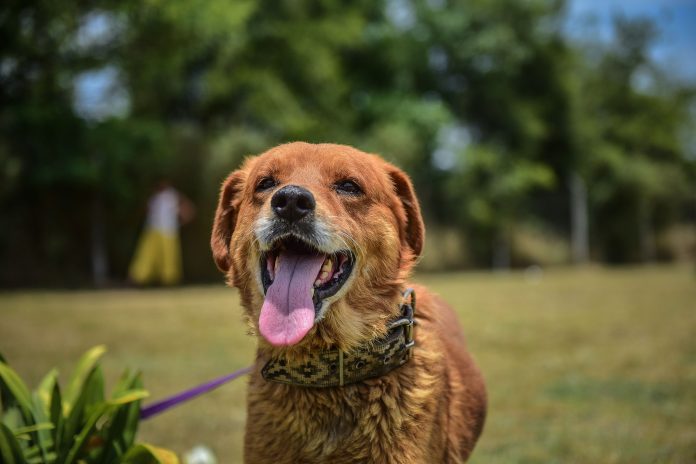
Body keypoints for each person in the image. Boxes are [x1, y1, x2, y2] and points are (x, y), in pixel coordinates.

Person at [128, 179, 195, 286]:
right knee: (147, 255)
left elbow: (188, 210)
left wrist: (180, 222)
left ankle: (169, 281)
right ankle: (139, 278)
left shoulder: (173, 195)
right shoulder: (155, 197)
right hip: (153, 229)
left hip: (168, 231)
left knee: (168, 257)